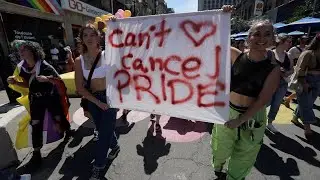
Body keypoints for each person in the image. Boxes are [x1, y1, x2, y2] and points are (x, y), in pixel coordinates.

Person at [211, 5, 281, 180]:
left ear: (273, 39)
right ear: (248, 38)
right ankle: (218, 165)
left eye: (267, 34)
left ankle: (234, 177)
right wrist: (223, 16)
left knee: (244, 155)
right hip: (228, 112)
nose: (261, 38)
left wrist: (241, 120)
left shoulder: (274, 69)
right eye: (257, 33)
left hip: (253, 118)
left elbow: (262, 101)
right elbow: (215, 42)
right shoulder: (236, 55)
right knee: (220, 147)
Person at [7, 41, 71, 166]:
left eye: (24, 49)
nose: (21, 52)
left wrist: (47, 79)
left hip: (51, 98)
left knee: (58, 117)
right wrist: (15, 82)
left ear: (32, 51)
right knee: (35, 124)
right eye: (20, 50)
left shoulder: (45, 66)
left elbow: (59, 81)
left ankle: (68, 130)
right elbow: (27, 85)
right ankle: (36, 153)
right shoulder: (22, 69)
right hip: (35, 100)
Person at [74, 23, 120, 179]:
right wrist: (97, 102)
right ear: (81, 39)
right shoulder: (79, 60)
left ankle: (98, 166)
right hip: (93, 100)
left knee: (103, 135)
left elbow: (127, 49)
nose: (89, 38)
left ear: (99, 36)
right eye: (85, 35)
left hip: (110, 98)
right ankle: (115, 147)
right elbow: (80, 88)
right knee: (102, 130)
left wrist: (117, 24)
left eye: (92, 34)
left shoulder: (109, 54)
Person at [291, 34, 320, 140]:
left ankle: (295, 117)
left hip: (317, 81)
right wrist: (304, 83)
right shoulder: (308, 53)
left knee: (307, 103)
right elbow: (299, 69)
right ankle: (307, 129)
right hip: (306, 80)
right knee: (307, 106)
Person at [267, 34, 293, 133]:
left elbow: (292, 69)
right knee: (265, 103)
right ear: (281, 41)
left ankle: (270, 123)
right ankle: (256, 119)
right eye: (288, 41)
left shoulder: (288, 55)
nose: (290, 44)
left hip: (282, 83)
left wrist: (286, 72)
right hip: (270, 83)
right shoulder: (270, 53)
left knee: (276, 104)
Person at [284, 35, 309, 108]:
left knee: (300, 88)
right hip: (296, 70)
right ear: (300, 40)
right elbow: (288, 58)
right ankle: (287, 98)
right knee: (298, 87)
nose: (304, 41)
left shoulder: (308, 48)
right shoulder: (293, 49)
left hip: (305, 70)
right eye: (303, 40)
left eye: (306, 40)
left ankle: (288, 98)